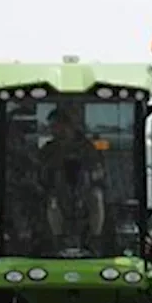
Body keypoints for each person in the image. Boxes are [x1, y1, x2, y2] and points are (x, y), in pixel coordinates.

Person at [42, 104, 108, 255]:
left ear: (67, 125)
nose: (53, 130)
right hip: (57, 193)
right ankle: (58, 241)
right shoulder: (49, 149)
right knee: (52, 203)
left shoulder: (87, 147)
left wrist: (88, 178)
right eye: (52, 127)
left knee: (97, 197)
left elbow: (99, 171)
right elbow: (40, 171)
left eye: (56, 126)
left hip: (86, 192)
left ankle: (94, 239)